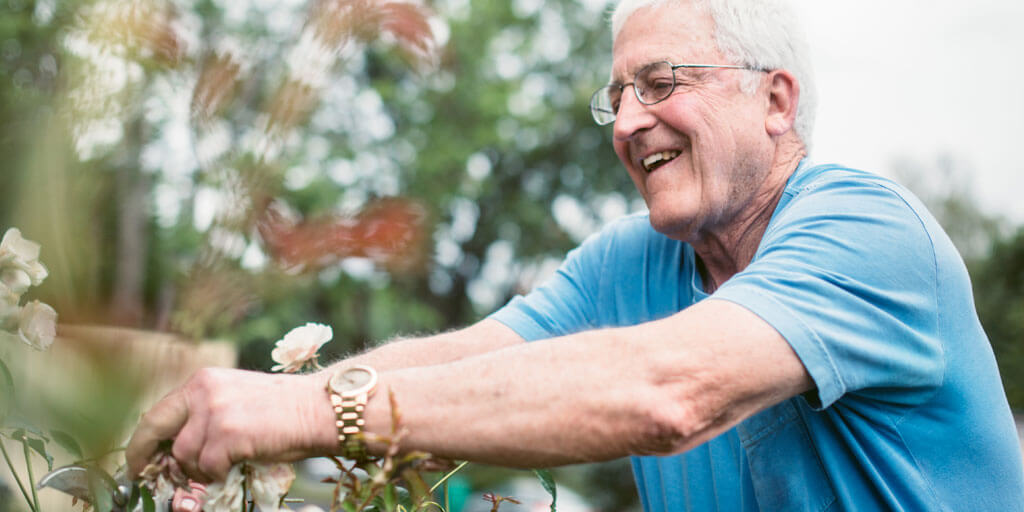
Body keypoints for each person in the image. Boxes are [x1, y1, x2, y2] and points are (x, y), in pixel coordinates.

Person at [126, 0, 1024, 510]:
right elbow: (468, 359)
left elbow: (667, 391)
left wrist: (314, 415)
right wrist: (274, 404)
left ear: (776, 101)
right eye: (617, 96)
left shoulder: (867, 232)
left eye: (661, 83)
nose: (628, 121)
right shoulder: (627, 264)